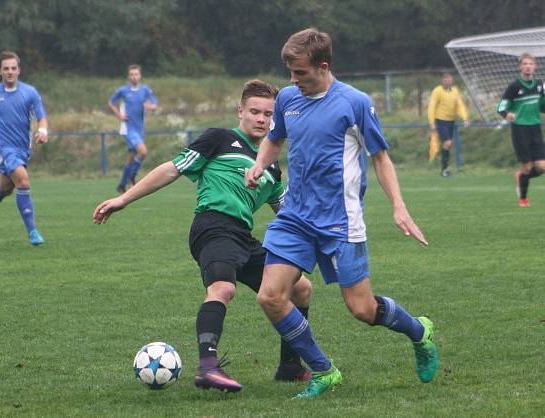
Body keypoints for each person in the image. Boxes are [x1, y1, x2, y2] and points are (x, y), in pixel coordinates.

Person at [245, 28, 439, 399]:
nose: (292, 81)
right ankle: (324, 371)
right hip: (295, 217)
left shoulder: (355, 103)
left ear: (323, 66)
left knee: (362, 310)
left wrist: (399, 207)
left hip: (340, 222)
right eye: (290, 72)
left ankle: (419, 331)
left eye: (300, 73)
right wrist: (259, 164)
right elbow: (274, 138)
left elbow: (380, 158)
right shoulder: (288, 98)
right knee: (270, 296)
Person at [94, 80, 312, 393]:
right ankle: (208, 367)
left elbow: (284, 210)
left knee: (301, 288)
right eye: (254, 111)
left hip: (243, 237)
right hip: (213, 227)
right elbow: (172, 169)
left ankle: (289, 366)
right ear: (240, 111)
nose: (262, 119)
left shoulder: (272, 165)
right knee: (223, 288)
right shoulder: (219, 139)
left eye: (268, 114)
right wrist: (123, 199)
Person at [0, 50, 49, 245]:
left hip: (23, 149)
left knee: (4, 188)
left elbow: (42, 117)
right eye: (6, 69)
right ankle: (33, 233)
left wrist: (42, 131)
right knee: (22, 181)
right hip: (2, 147)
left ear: (19, 70)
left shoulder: (30, 92)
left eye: (13, 68)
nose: (10, 72)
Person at [497, 52, 545, 207]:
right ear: (520, 67)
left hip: (535, 127)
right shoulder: (514, 86)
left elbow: (543, 105)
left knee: (541, 167)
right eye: (524, 64)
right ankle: (523, 199)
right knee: (527, 165)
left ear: (535, 66)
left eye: (530, 64)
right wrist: (507, 114)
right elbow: (501, 106)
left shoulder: (540, 85)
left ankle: (521, 177)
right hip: (520, 129)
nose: (528, 66)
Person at [108, 64, 158, 194]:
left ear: (140, 76)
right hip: (128, 129)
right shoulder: (123, 90)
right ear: (128, 76)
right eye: (131, 74)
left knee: (131, 156)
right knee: (143, 152)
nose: (134, 77)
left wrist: (150, 107)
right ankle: (132, 176)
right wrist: (118, 115)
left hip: (140, 129)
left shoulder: (145, 90)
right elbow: (111, 102)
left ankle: (122, 184)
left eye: (136, 74)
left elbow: (154, 104)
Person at [428, 72, 470, 177]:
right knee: (447, 142)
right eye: (445, 80)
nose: (447, 81)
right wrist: (432, 122)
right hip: (440, 120)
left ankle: (444, 169)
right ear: (442, 81)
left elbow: (460, 105)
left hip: (451, 121)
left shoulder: (455, 91)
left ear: (452, 81)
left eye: (449, 80)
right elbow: (431, 106)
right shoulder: (437, 91)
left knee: (447, 145)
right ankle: (443, 170)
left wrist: (465, 118)